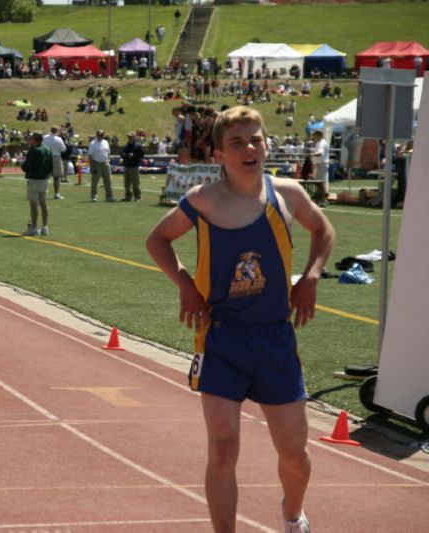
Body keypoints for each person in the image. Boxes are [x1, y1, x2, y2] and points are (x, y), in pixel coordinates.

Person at [145, 106, 335, 533]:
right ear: (219, 154)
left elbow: (323, 231)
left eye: (255, 139)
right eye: (237, 142)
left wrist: (312, 277)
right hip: (221, 338)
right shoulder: (203, 200)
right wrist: (185, 285)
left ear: (267, 144)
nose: (249, 148)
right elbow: (157, 239)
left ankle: (292, 514)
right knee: (224, 444)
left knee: (294, 454)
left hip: (274, 339)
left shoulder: (288, 194)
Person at [21, 131, 52, 237]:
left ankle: (34, 227)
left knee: (33, 204)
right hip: (44, 179)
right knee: (43, 203)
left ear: (35, 139)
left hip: (34, 179)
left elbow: (27, 167)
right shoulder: (47, 149)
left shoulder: (33, 150)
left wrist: (23, 164)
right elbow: (51, 165)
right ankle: (45, 226)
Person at [88, 129, 115, 202]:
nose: (100, 136)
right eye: (99, 135)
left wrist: (108, 160)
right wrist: (92, 166)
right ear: (97, 135)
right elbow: (90, 155)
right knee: (95, 182)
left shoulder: (106, 142)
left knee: (108, 181)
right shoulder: (93, 143)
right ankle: (94, 196)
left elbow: (108, 152)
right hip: (96, 163)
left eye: (102, 135)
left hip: (105, 163)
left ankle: (109, 197)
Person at [42, 126, 66, 200]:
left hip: (45, 157)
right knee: (56, 178)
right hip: (56, 157)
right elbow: (63, 149)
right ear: (57, 131)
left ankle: (43, 193)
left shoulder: (44, 137)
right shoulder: (59, 139)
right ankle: (56, 194)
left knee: (44, 177)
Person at [120, 131, 144, 202]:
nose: (129, 138)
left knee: (135, 184)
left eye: (130, 136)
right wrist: (125, 154)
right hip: (127, 166)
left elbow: (141, 155)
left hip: (134, 167)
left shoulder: (138, 146)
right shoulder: (126, 146)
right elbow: (121, 153)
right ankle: (128, 197)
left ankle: (138, 197)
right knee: (126, 184)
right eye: (128, 137)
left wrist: (134, 155)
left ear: (134, 137)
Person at [310, 130, 330, 206]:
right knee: (320, 183)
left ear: (319, 135)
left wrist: (311, 155)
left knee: (320, 183)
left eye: (315, 135)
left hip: (321, 164)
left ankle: (323, 200)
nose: (313, 137)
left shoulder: (321, 143)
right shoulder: (321, 142)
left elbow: (320, 153)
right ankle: (321, 199)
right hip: (321, 165)